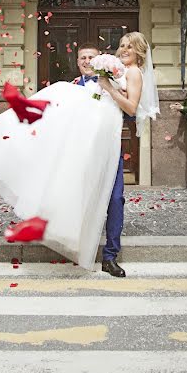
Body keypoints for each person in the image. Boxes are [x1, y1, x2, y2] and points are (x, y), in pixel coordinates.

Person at [0, 32, 158, 271]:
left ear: (139, 51)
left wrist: (107, 86)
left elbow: (130, 107)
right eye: (122, 45)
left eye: (130, 46)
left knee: (114, 198)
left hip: (107, 143)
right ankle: (76, 239)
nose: (124, 49)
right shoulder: (109, 74)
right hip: (83, 144)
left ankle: (110, 255)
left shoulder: (131, 74)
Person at [71, 42, 129, 277]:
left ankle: (110, 256)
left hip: (111, 152)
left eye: (91, 57)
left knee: (115, 200)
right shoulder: (72, 88)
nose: (87, 61)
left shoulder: (116, 84)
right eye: (83, 58)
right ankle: (82, 248)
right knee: (83, 200)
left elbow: (131, 112)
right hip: (83, 154)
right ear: (77, 62)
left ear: (100, 60)